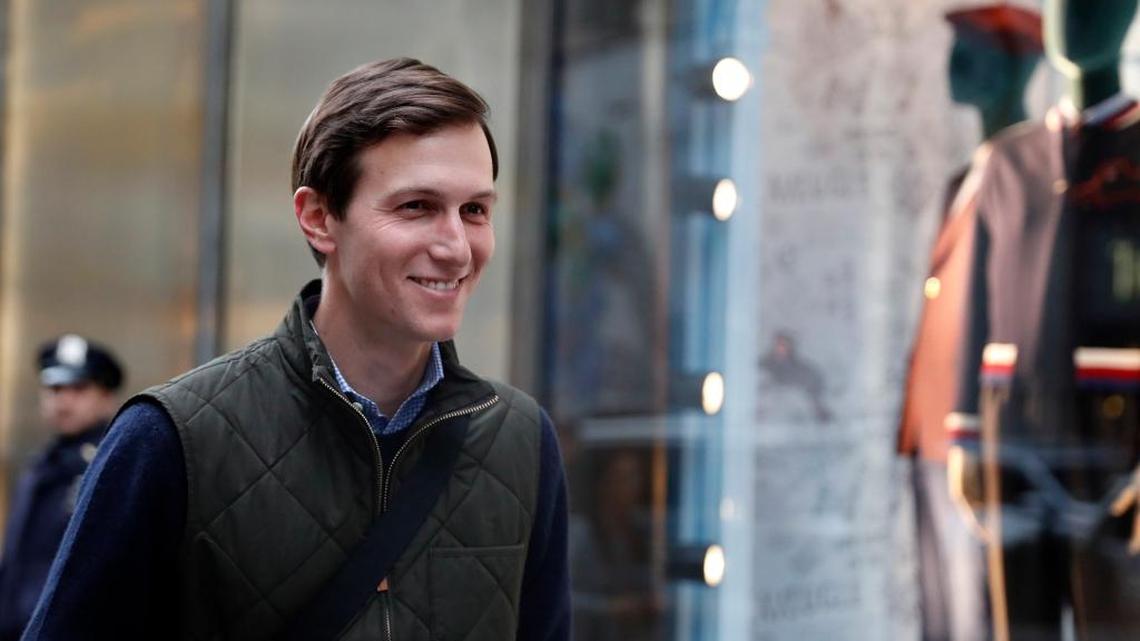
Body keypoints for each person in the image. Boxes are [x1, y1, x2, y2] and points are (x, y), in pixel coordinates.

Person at [22, 58, 570, 641]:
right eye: (417, 207)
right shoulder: (170, 441)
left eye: (475, 210)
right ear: (318, 218)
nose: (457, 248)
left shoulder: (521, 441)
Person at [947, 0, 1140, 637]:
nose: (1071, 18)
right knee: (1018, 621)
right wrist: (966, 433)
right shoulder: (1007, 162)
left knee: (1112, 618)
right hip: (1014, 427)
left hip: (1117, 433)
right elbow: (974, 308)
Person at [896, 6, 1042, 641]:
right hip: (930, 437)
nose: (954, 64)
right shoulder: (966, 178)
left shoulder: (1036, 178)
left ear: (1017, 64)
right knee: (941, 615)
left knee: (981, 612)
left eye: (973, 49)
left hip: (982, 440)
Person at [0, 335, 123, 641]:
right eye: (55, 389)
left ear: (106, 397)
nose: (63, 401)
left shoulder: (112, 464)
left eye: (79, 389)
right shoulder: (39, 466)